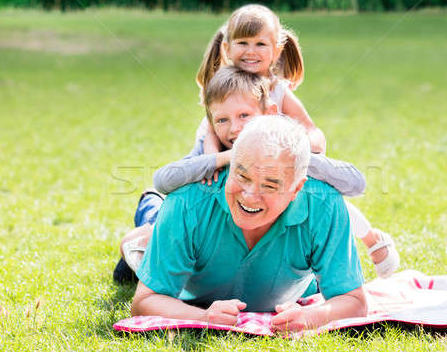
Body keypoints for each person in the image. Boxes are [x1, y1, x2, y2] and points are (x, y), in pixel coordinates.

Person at [113, 65, 398, 282]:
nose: (234, 128)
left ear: (270, 112)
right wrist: (223, 158)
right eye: (222, 120)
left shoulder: (285, 153)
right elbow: (163, 180)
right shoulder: (214, 151)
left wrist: (300, 158)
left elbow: (355, 184)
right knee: (154, 222)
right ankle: (148, 213)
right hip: (184, 221)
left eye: (244, 116)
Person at [196, 4, 399, 277]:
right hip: (231, 164)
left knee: (319, 197)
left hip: (274, 165)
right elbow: (210, 130)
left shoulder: (278, 90)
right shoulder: (223, 85)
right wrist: (213, 161)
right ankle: (160, 241)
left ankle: (371, 239)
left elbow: (313, 131)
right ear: (227, 48)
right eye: (243, 43)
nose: (251, 51)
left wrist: (301, 145)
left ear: (277, 50)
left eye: (260, 44)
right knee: (196, 196)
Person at [131, 115, 367, 333]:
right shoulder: (186, 202)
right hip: (192, 288)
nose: (250, 196)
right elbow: (146, 300)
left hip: (290, 293)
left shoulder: (324, 204)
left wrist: (308, 317)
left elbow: (353, 301)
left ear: (296, 188)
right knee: (143, 241)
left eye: (270, 185)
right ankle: (145, 223)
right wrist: (204, 317)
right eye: (242, 176)